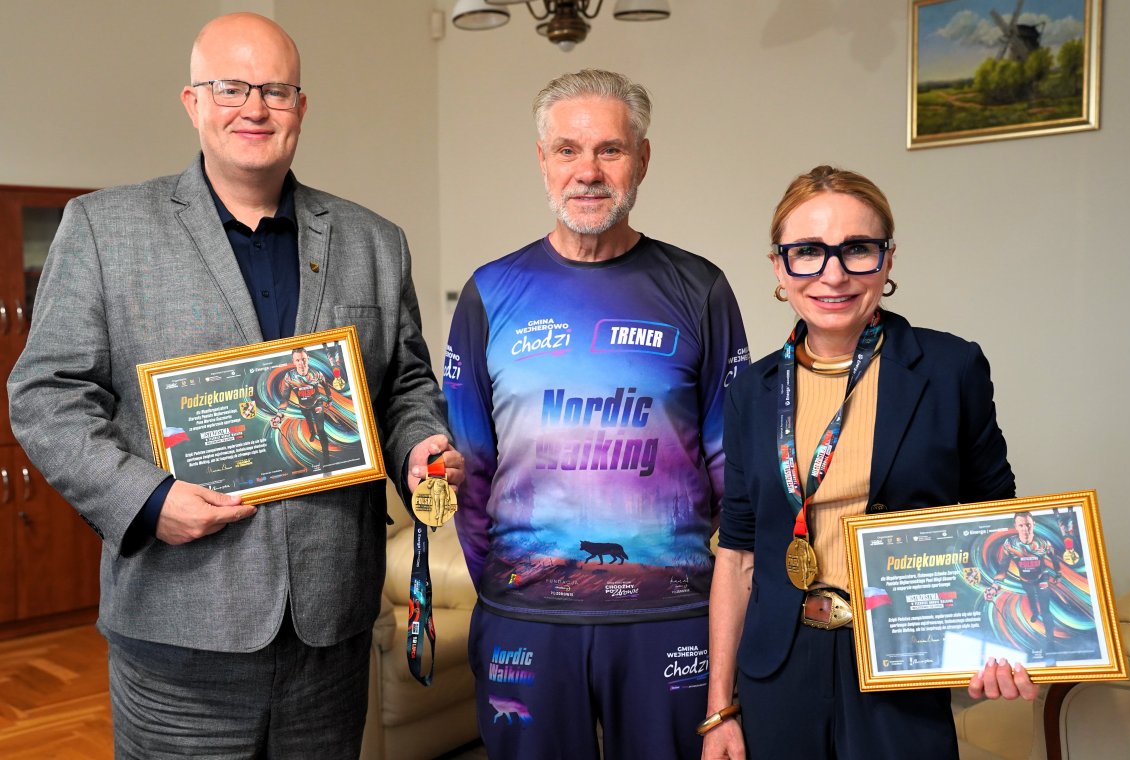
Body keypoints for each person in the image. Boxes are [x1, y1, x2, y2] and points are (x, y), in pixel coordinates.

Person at [6, 13, 462, 759]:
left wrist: (421, 446)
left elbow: (405, 384)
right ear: (193, 102)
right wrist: (147, 500)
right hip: (178, 633)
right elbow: (46, 394)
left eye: (275, 90)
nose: (255, 107)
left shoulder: (375, 241)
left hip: (331, 630)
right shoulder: (103, 228)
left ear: (300, 107)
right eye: (231, 88)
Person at [444, 69, 749, 759]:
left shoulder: (700, 288)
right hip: (525, 620)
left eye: (610, 149)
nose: (588, 171)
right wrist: (507, 582)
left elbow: (733, 467)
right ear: (542, 160)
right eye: (568, 150)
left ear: (642, 159)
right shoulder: (490, 292)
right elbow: (471, 469)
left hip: (671, 616)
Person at [702, 165, 1035, 760]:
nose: (833, 275)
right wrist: (719, 709)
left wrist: (1005, 642)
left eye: (857, 249)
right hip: (778, 667)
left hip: (902, 661)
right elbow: (738, 554)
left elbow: (996, 522)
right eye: (808, 252)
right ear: (778, 267)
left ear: (887, 260)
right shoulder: (752, 391)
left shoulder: (950, 368)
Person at [986, 511, 1061, 650]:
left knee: (1045, 609)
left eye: (1028, 525)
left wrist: (1058, 574)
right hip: (1025, 580)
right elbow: (1003, 569)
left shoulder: (1043, 543)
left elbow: (1054, 559)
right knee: (1031, 596)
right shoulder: (1010, 544)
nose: (1025, 529)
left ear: (1034, 524)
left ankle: (1050, 641)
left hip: (1042, 578)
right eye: (1021, 525)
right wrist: (994, 587)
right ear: (1015, 526)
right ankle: (1034, 613)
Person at [272, 346, 333, 469]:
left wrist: (329, 398)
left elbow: (326, 386)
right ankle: (312, 433)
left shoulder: (316, 374)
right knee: (309, 421)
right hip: (303, 406)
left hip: (317, 404)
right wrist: (278, 416)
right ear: (294, 362)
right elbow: (285, 398)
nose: (301, 363)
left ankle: (326, 457)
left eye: (304, 359)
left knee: (321, 430)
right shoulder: (289, 377)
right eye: (298, 360)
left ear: (308, 359)